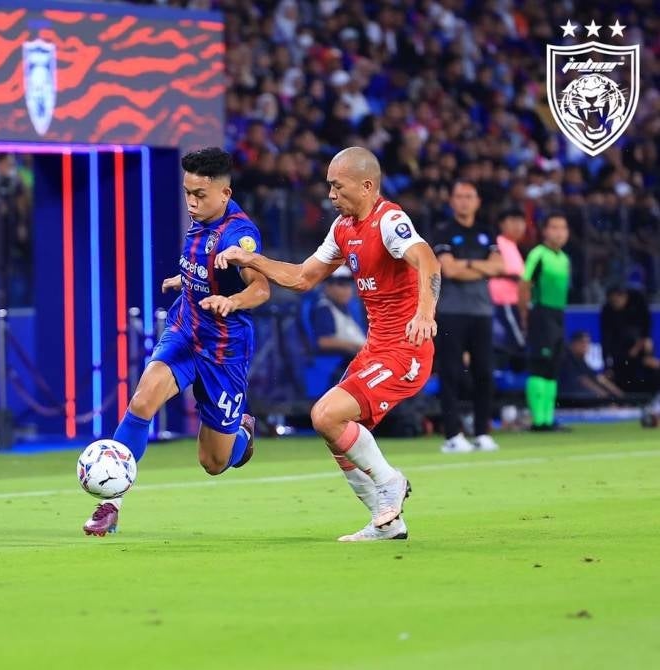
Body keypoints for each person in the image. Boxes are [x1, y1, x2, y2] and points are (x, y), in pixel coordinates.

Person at [216, 146, 441, 542]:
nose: (331, 195)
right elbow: (303, 277)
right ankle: (386, 522)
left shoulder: (389, 220)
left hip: (406, 349)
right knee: (334, 429)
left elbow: (428, 261)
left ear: (367, 185)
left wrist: (425, 313)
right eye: (329, 187)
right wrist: (250, 260)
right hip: (375, 349)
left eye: (338, 186)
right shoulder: (343, 228)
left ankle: (390, 482)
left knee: (325, 414)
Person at [83, 147, 271, 536]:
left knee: (213, 462)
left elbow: (261, 289)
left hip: (224, 351)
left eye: (200, 195)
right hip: (185, 332)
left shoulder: (240, 236)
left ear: (225, 194)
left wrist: (231, 300)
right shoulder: (198, 221)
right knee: (142, 400)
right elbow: (200, 266)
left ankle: (242, 434)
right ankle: (110, 504)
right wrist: (183, 281)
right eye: (187, 192)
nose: (190, 202)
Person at [431, 180, 504, 453]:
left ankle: (482, 432)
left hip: (482, 311)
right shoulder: (443, 231)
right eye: (459, 196)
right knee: (450, 373)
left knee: (484, 372)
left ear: (477, 201)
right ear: (452, 201)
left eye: (469, 196)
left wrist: (467, 265)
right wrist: (482, 267)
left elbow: (501, 266)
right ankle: (452, 435)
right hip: (450, 312)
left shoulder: (487, 231)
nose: (464, 201)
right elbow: (448, 270)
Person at [519, 213, 571, 432]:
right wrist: (525, 315)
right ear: (545, 231)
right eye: (554, 227)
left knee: (552, 367)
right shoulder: (538, 254)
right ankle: (538, 421)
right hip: (541, 314)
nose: (559, 232)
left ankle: (548, 418)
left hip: (558, 315)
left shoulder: (565, 258)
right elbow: (524, 285)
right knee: (539, 366)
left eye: (563, 228)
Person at [600, 285, 660, 396]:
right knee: (622, 372)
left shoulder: (638, 300)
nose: (614, 304)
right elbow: (606, 338)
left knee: (649, 369)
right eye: (611, 301)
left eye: (616, 301)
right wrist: (606, 365)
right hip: (621, 351)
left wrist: (644, 341)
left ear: (624, 296)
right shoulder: (607, 310)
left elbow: (646, 321)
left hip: (640, 347)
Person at [309, 265, 365, 381]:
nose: (347, 290)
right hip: (344, 363)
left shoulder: (347, 308)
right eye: (341, 285)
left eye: (349, 285)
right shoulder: (324, 309)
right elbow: (323, 342)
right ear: (327, 286)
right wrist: (356, 347)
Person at [489, 209, 527, 371]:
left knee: (511, 345)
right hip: (501, 302)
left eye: (520, 222)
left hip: (514, 303)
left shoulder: (513, 246)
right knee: (517, 344)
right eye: (512, 221)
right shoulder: (497, 243)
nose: (518, 226)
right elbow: (496, 269)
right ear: (502, 224)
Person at [558, 331, 624, 402]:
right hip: (567, 399)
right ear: (575, 344)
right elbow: (584, 381)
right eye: (583, 342)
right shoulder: (566, 358)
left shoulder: (580, 360)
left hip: (579, 397)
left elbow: (598, 378)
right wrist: (607, 399)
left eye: (588, 343)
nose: (586, 346)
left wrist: (622, 396)